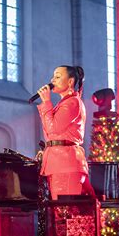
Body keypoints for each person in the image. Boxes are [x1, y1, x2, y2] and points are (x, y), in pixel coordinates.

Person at [36, 65, 95, 200]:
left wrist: (46, 102)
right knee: (60, 211)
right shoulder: (64, 103)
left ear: (70, 82)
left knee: (65, 212)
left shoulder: (73, 102)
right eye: (53, 77)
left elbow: (53, 128)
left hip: (66, 163)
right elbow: (50, 132)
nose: (52, 80)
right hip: (59, 162)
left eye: (57, 76)